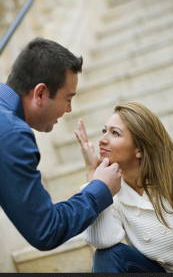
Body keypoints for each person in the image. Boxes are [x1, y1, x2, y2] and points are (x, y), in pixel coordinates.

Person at [0, 37, 122, 251]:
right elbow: (46, 230)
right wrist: (100, 188)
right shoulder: (12, 134)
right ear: (40, 93)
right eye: (68, 98)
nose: (69, 110)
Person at [75, 102, 173, 273]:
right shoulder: (111, 189)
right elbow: (103, 241)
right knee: (108, 255)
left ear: (139, 150)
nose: (102, 140)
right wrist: (94, 178)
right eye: (104, 131)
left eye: (115, 133)